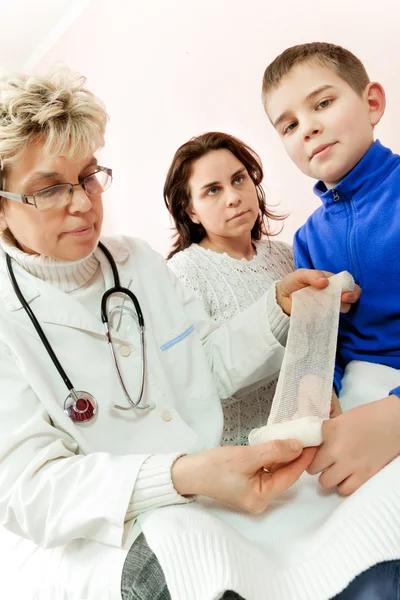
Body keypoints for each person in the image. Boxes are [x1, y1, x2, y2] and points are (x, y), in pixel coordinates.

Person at [0, 68, 358, 600]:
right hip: (119, 529)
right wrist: (182, 475)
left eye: (90, 175)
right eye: (49, 188)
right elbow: (30, 489)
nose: (82, 202)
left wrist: (278, 308)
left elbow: (206, 365)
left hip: (220, 488)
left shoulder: (137, 261)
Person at [262, 41, 400, 495]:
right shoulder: (307, 239)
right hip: (355, 410)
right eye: (289, 125)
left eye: (323, 102)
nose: (308, 128)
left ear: (372, 103)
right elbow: (323, 345)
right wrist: (319, 392)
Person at [165, 131, 345, 446]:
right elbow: (205, 382)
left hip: (310, 439)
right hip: (242, 455)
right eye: (212, 190)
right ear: (190, 210)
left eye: (238, 180)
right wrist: (280, 310)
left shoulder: (286, 255)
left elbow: (316, 349)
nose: (233, 197)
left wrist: (337, 300)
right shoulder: (182, 274)